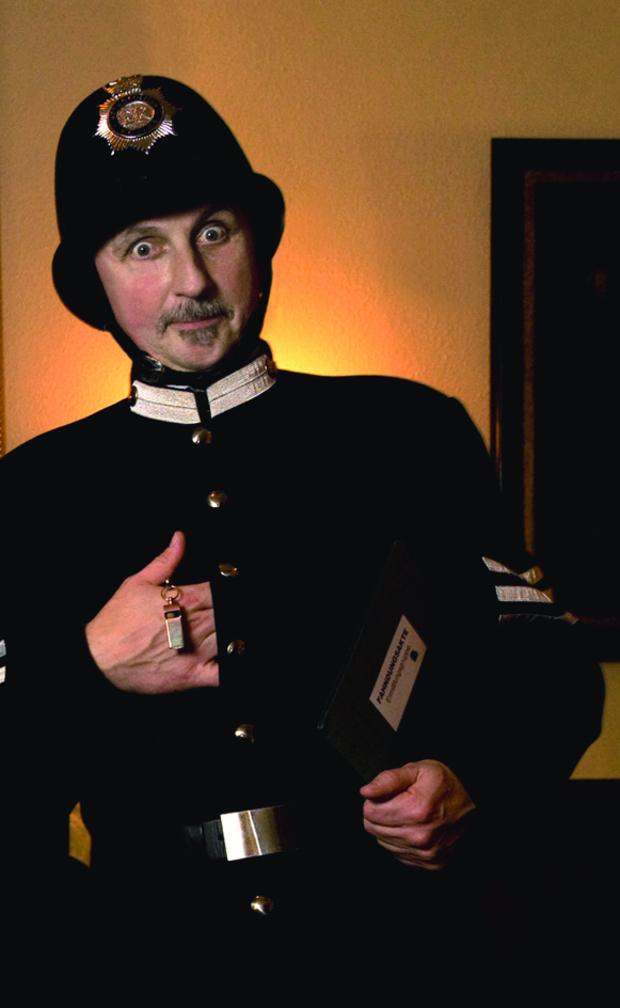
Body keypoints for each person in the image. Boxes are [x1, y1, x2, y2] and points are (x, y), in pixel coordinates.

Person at [0, 75, 603, 991]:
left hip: (402, 952)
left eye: (214, 231)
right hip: (146, 965)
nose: (192, 281)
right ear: (95, 280)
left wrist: (472, 777)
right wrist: (86, 663)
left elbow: (552, 673)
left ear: (260, 240)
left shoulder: (409, 432)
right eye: (142, 247)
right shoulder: (31, 490)